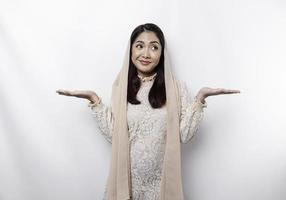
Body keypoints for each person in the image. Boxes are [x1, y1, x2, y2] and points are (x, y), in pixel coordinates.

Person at [56, 23, 240, 200]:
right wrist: (94, 100)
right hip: (127, 185)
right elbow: (117, 135)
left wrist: (200, 99)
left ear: (162, 53)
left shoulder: (175, 88)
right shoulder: (122, 87)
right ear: (130, 51)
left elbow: (184, 135)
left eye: (154, 47)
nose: (145, 54)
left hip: (161, 187)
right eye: (139, 46)